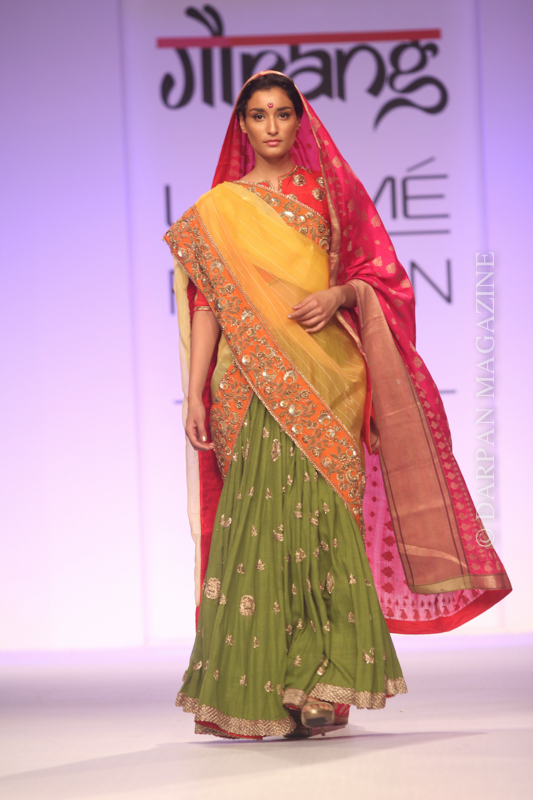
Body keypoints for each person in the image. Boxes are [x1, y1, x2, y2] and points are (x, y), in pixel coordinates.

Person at [164, 71, 512, 740]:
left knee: (325, 523)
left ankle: (322, 680)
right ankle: (266, 691)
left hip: (328, 377)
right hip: (246, 387)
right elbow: (207, 304)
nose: (271, 126)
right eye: (258, 114)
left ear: (300, 121)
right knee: (257, 527)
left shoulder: (332, 193)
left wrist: (341, 295)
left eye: (282, 113)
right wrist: (197, 391)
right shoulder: (219, 207)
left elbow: (383, 280)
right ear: (241, 125)